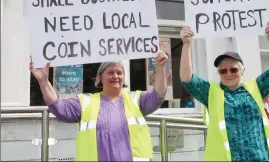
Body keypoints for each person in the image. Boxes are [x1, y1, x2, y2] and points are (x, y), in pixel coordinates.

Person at [29, 50, 168, 161]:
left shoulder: (136, 99)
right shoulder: (85, 102)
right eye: (110, 72)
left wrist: (160, 68)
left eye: (119, 73)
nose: (116, 76)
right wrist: (43, 81)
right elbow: (58, 108)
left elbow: (158, 95)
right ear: (100, 78)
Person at [179, 20, 269, 161]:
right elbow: (187, 78)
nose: (228, 74)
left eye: (234, 69)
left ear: (242, 71)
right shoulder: (210, 91)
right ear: (219, 73)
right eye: (223, 70)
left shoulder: (256, 87)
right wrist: (186, 45)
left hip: (260, 158)